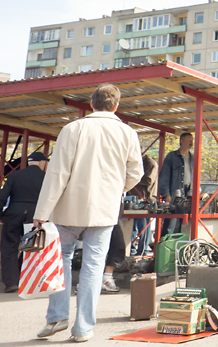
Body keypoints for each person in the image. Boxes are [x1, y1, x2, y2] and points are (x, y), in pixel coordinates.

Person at [32, 83, 143, 343]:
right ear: (116, 106)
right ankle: (83, 328)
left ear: (91, 104)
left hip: (68, 207)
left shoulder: (73, 129)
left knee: (61, 258)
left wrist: (42, 212)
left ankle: (57, 317)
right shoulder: (127, 133)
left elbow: (57, 173)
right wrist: (116, 189)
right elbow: (136, 173)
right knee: (94, 265)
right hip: (104, 209)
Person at [0, 151, 48, 293]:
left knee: (9, 248)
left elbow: (2, 197)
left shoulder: (14, 176)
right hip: (35, 218)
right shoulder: (46, 178)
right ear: (41, 163)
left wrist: (1, 214)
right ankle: (24, 278)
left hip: (13, 216)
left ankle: (10, 282)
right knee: (31, 248)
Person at [158, 132, 194, 236]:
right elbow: (164, 176)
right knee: (170, 222)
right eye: (189, 140)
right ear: (181, 141)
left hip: (189, 192)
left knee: (184, 223)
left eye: (192, 140)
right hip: (175, 192)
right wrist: (166, 194)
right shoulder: (172, 156)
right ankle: (166, 243)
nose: (191, 142)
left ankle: (179, 243)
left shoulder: (193, 158)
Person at [130, 150, 158, 256]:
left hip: (145, 199)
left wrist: (132, 179)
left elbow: (148, 180)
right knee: (132, 226)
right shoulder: (137, 163)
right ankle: (131, 249)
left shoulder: (150, 163)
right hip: (134, 198)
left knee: (143, 226)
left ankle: (143, 250)